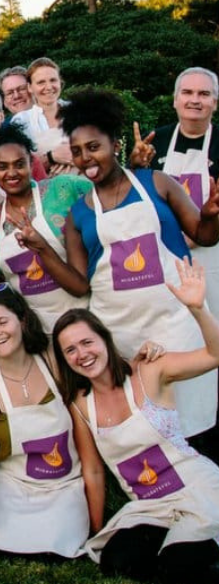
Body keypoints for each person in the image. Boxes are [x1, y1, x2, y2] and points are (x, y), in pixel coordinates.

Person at [56, 89, 219, 441]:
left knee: (198, 422)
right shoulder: (78, 213)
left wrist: (209, 215)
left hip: (178, 324)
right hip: (124, 338)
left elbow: (204, 236)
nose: (86, 158)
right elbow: (81, 284)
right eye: (77, 152)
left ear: (115, 144)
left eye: (94, 146)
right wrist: (41, 248)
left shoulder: (157, 183)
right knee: (150, 432)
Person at [53, 260, 219, 583]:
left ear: (104, 339)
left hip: (196, 488)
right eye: (70, 350)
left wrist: (198, 309)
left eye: (87, 342)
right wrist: (97, 529)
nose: (82, 354)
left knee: (179, 566)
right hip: (151, 507)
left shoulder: (149, 370)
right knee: (118, 559)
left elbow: (215, 356)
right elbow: (94, 469)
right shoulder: (80, 405)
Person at [0, 284, 99, 557]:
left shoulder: (54, 363)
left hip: (64, 487)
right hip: (13, 488)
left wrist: (96, 529)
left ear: (22, 320)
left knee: (58, 542)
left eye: (2, 321)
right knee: (4, 545)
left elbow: (92, 463)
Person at [0, 124, 90, 332]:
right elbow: (7, 281)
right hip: (35, 335)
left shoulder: (65, 189)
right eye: (2, 167)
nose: (12, 173)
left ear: (32, 162)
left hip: (85, 320)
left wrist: (134, 165)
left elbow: (110, 195)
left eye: (19, 164)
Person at [141, 68, 219, 312]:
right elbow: (140, 196)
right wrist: (134, 165)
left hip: (214, 255)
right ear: (175, 100)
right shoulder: (154, 141)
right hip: (167, 254)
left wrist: (202, 229)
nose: (194, 100)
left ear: (214, 103)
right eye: (187, 92)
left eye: (204, 94)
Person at [11, 58, 73, 174]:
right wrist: (51, 157)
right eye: (41, 82)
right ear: (30, 87)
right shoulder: (22, 121)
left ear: (60, 82)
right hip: (45, 188)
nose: (49, 87)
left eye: (53, 80)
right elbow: (17, 167)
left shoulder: (79, 110)